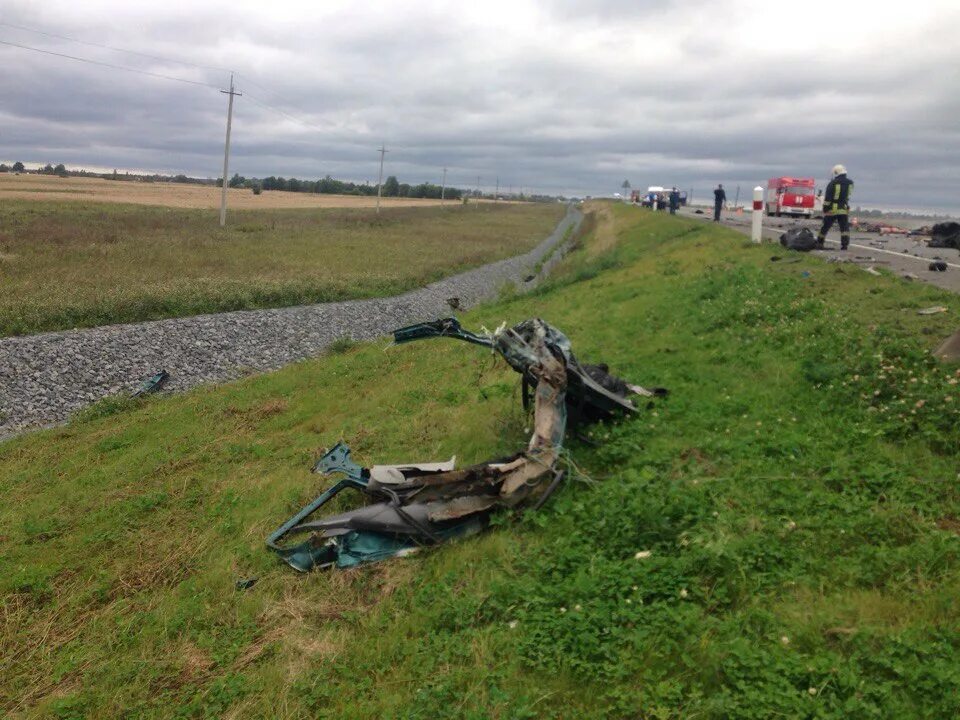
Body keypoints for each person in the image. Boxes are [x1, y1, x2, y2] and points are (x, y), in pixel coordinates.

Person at [817, 165, 854, 250]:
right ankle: (844, 245)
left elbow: (828, 198)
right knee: (844, 228)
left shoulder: (833, 183)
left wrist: (825, 208)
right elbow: (847, 196)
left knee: (825, 226)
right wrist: (847, 206)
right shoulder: (850, 183)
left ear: (836, 172)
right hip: (843, 209)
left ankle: (820, 242)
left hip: (832, 210)